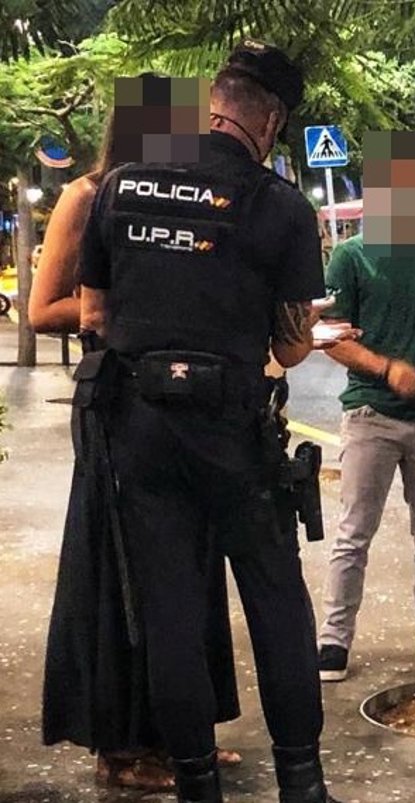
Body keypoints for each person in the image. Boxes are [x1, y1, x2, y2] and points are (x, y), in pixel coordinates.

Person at [77, 44, 352, 803]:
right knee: (276, 601)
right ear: (272, 123)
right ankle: (301, 783)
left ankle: (196, 784)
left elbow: (94, 313)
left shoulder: (123, 185)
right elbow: (290, 346)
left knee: (170, 610)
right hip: (234, 433)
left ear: (213, 105)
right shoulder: (279, 205)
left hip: (140, 431)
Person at [34, 103, 242, 792]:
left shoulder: (187, 198)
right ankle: (121, 746)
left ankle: (183, 734)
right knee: (123, 573)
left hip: (187, 406)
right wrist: (136, 303)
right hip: (118, 409)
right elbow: (42, 309)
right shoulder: (89, 195)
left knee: (188, 571)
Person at [315, 130, 415, 683]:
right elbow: (330, 336)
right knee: (353, 533)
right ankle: (333, 640)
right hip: (371, 416)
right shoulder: (352, 256)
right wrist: (387, 369)